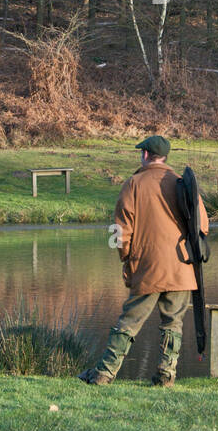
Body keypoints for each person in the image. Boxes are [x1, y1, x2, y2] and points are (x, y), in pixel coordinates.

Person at [78, 135, 209, 387]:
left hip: (148, 267)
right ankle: (166, 375)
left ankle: (104, 374)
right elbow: (203, 225)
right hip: (183, 267)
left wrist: (125, 257)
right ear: (165, 157)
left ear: (146, 155)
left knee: (129, 320)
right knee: (173, 323)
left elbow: (120, 229)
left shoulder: (134, 184)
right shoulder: (183, 183)